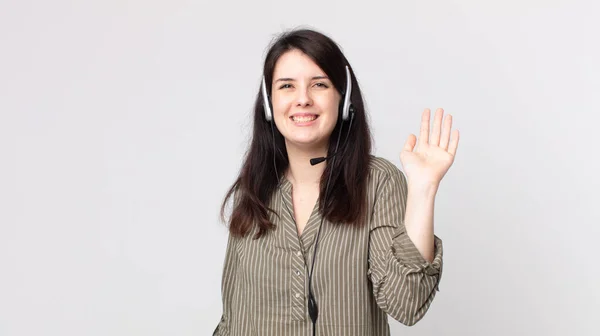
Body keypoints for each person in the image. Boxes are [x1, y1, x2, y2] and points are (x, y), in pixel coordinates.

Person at [213, 28, 460, 336]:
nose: (302, 99)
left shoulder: (377, 183)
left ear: (342, 100)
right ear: (268, 102)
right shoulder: (252, 190)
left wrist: (424, 189)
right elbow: (232, 320)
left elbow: (407, 304)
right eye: (287, 86)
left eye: (319, 84)